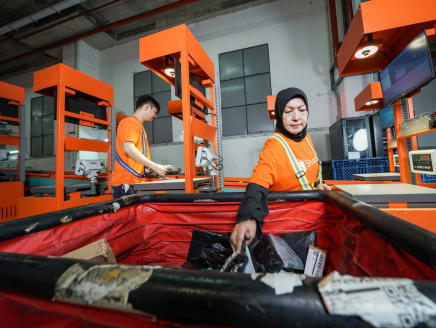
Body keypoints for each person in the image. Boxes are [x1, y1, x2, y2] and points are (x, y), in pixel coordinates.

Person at [230, 87, 330, 252]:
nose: (296, 117)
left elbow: (307, 173)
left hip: (312, 222)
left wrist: (317, 187)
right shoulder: (275, 146)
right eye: (288, 111)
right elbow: (258, 183)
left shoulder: (306, 138)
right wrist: (248, 218)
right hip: (290, 231)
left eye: (302, 110)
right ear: (278, 115)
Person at [112, 95, 173, 199]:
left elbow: (136, 156)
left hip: (134, 182)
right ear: (147, 107)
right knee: (127, 215)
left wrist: (153, 169)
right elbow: (128, 149)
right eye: (155, 112)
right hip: (126, 183)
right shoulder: (129, 122)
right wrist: (155, 166)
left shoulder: (139, 126)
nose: (155, 116)